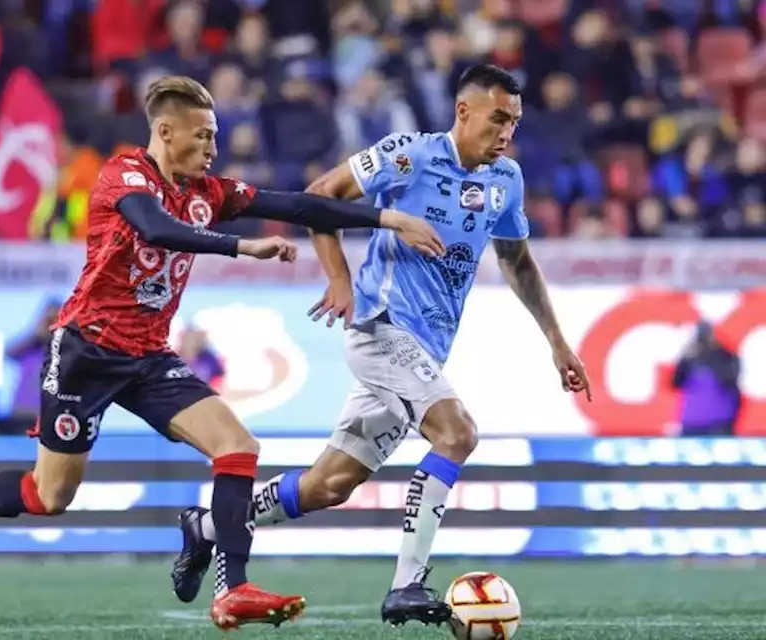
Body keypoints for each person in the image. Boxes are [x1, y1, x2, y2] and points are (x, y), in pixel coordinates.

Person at [0, 75, 444, 631]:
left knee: (237, 445)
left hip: (149, 357)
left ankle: (233, 589)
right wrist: (244, 246)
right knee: (49, 496)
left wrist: (387, 217)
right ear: (165, 131)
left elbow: (302, 206)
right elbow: (157, 230)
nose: (214, 147)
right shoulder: (124, 174)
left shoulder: (210, 192)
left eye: (214, 136)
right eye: (203, 135)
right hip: (86, 353)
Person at [169, 64, 594, 627]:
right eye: (497, 118)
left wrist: (557, 341)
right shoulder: (409, 154)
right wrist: (340, 279)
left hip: (425, 349)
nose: (506, 132)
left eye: (513, 122)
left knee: (329, 485)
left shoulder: (506, 180)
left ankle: (206, 527)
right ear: (463, 112)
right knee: (457, 431)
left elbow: (516, 259)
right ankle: (406, 585)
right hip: (380, 327)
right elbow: (321, 196)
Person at [671, 320, 741, 436]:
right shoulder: (690, 360)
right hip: (693, 421)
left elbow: (730, 379)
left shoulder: (725, 357)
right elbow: (676, 382)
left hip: (719, 421)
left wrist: (707, 356)